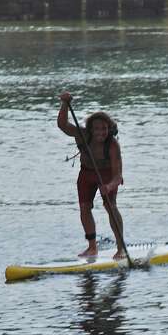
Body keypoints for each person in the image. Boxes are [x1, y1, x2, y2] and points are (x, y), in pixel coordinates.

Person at [57, 92, 126, 258]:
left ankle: (121, 249)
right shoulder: (82, 134)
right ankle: (92, 247)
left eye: (104, 129)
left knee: (111, 206)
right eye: (96, 129)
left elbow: (118, 177)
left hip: (107, 175)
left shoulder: (112, 145)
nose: (100, 132)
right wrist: (65, 104)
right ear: (90, 129)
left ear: (109, 129)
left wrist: (108, 186)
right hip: (86, 173)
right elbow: (62, 125)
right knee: (84, 208)